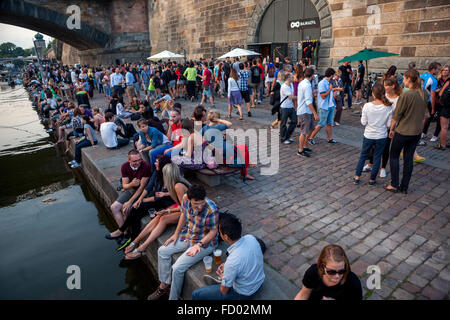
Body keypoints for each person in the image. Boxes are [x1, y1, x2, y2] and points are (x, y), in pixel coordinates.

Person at [148, 184, 219, 300]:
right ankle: (164, 285)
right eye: (196, 204)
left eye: (202, 202)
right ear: (190, 200)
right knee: (162, 251)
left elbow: (213, 231)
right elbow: (183, 215)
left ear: (205, 197)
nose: (200, 206)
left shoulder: (212, 209)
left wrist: (199, 245)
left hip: (205, 242)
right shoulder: (185, 198)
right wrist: (176, 234)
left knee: (177, 268)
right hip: (189, 235)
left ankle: (173, 298)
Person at [124, 163, 191, 259]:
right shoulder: (174, 184)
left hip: (190, 212)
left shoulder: (178, 186)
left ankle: (142, 248)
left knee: (163, 218)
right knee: (158, 216)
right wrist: (166, 211)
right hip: (183, 207)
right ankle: (135, 242)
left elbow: (184, 209)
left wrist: (168, 212)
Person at [192, 212, 265, 300]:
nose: (219, 233)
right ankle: (222, 282)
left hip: (244, 294)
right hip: (258, 282)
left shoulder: (233, 261)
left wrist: (224, 277)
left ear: (225, 237)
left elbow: (224, 290)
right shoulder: (251, 238)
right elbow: (246, 258)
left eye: (219, 231)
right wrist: (227, 265)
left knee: (196, 294)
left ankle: (222, 282)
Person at [385, 69, 428, 194]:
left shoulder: (406, 94)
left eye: (404, 78)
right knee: (409, 158)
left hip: (403, 131)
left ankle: (394, 184)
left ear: (408, 79)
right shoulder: (424, 93)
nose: (403, 81)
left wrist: (392, 129)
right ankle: (404, 186)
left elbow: (397, 115)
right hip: (416, 131)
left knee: (394, 156)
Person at [353, 83, 393, 186]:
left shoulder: (367, 106)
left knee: (363, 156)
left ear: (373, 94)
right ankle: (372, 180)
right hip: (381, 136)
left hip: (369, 135)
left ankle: (357, 177)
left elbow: (363, 122)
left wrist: (364, 112)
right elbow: (389, 125)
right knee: (377, 157)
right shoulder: (388, 107)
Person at [294, 244, 362, 300]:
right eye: (332, 272)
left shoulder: (353, 283)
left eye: (342, 271)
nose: (337, 276)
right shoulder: (313, 272)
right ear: (322, 267)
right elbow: (303, 294)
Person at [108, 150, 151, 230]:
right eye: (135, 161)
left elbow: (141, 188)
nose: (138, 162)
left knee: (126, 209)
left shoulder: (146, 166)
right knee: (114, 207)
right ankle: (123, 231)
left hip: (142, 192)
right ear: (129, 160)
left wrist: (129, 202)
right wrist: (132, 184)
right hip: (131, 190)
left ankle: (126, 231)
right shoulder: (125, 166)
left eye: (139, 159)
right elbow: (125, 186)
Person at [308, 68, 338, 144]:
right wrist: (330, 89)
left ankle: (330, 138)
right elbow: (323, 96)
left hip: (330, 105)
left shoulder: (328, 82)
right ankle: (310, 137)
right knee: (321, 123)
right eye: (333, 75)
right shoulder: (322, 83)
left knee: (329, 123)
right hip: (324, 107)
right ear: (331, 75)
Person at [297, 68, 319, 157]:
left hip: (306, 110)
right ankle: (300, 150)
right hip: (305, 110)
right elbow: (308, 101)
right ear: (312, 75)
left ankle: (305, 146)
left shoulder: (303, 83)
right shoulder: (306, 85)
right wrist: (315, 113)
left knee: (310, 129)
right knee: (304, 131)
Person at [279, 72, 296, 145]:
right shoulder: (284, 86)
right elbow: (291, 96)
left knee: (294, 121)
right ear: (288, 78)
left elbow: (292, 96)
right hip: (284, 107)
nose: (293, 78)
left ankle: (287, 136)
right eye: (292, 77)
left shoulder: (291, 85)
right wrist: (301, 97)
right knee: (283, 123)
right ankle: (283, 138)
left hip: (290, 106)